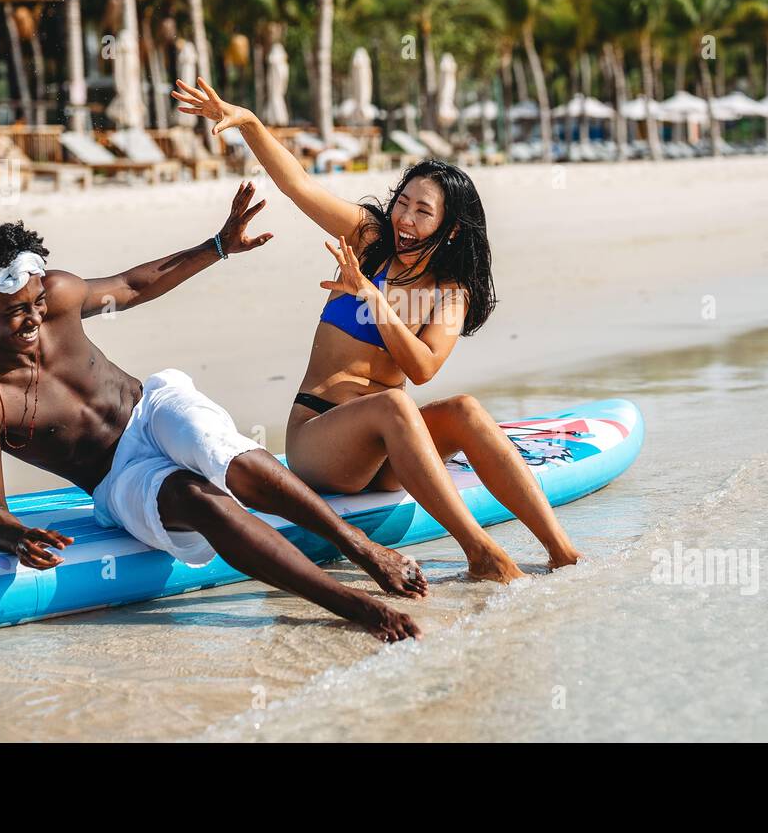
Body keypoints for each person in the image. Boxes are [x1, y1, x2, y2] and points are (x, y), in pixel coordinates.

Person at [0, 187, 425, 643]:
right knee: (198, 498)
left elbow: (132, 285)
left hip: (151, 408)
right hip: (116, 477)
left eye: (36, 303)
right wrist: (16, 536)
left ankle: (361, 547)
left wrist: (219, 245)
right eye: (16, 312)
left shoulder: (56, 294)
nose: (35, 317)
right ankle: (353, 606)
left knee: (215, 448)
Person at [171, 77, 582, 582]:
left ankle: (562, 550)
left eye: (422, 211)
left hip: (389, 451)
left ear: (450, 228)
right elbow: (299, 185)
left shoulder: (451, 290)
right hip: (320, 443)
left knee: (464, 410)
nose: (405, 218)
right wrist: (252, 124)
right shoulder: (369, 239)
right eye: (403, 202)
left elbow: (423, 368)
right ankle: (480, 552)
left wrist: (373, 298)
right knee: (394, 404)